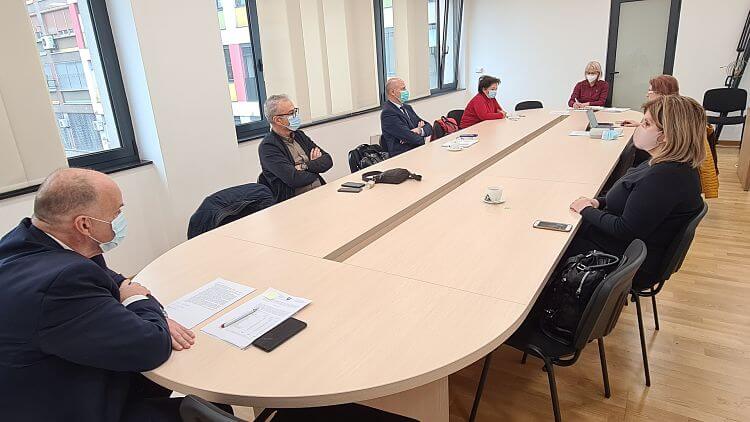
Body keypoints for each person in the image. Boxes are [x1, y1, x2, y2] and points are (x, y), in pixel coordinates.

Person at [0, 168, 199, 421]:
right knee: (205, 410)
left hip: (48, 376)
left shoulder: (29, 239)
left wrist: (127, 289)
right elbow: (152, 346)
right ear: (84, 224)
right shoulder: (62, 283)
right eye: (116, 212)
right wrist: (138, 300)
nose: (120, 219)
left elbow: (104, 276)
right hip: (70, 404)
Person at [568, 95, 705, 290]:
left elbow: (625, 230)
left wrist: (586, 210)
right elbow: (631, 196)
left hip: (628, 261)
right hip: (632, 247)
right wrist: (599, 202)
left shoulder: (665, 177)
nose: (639, 127)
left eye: (646, 124)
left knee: (555, 246)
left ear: (666, 135)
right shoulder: (663, 163)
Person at [621, 75, 719, 198]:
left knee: (631, 153)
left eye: (650, 91)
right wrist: (641, 125)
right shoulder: (677, 113)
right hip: (668, 171)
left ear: (661, 93)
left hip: (663, 170)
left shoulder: (665, 173)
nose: (647, 95)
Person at [259, 94, 333, 203]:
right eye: (291, 113)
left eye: (295, 111)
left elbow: (327, 160)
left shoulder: (299, 135)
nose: (295, 116)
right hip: (294, 201)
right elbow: (294, 179)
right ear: (278, 120)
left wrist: (304, 166)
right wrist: (316, 168)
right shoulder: (268, 147)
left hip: (319, 191)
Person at [380, 77, 433, 156]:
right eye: (403, 89)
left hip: (417, 150)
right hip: (403, 155)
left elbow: (429, 127)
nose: (406, 91)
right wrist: (415, 134)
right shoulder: (388, 113)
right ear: (392, 92)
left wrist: (419, 131)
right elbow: (413, 139)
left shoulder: (407, 107)